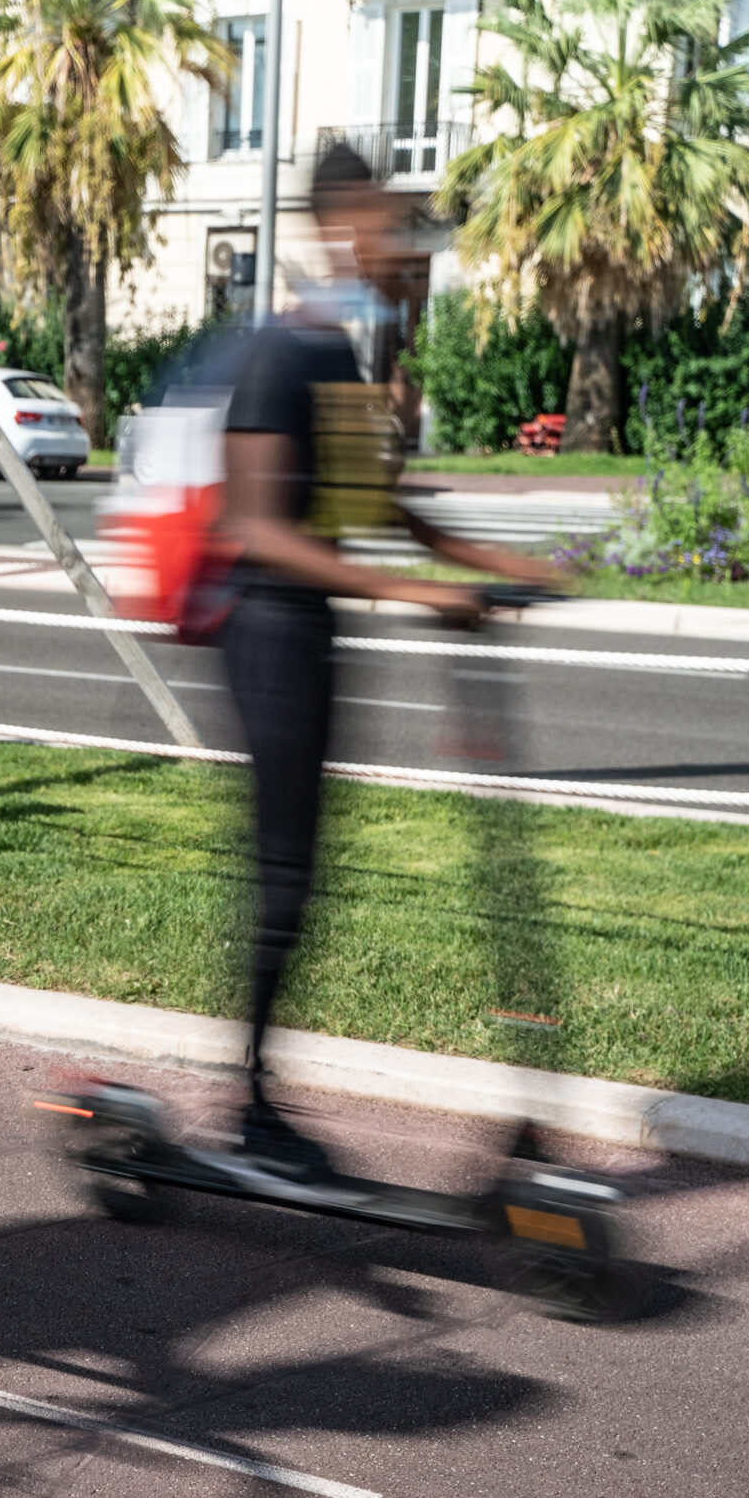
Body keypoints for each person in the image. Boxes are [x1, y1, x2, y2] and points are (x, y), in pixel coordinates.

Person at [218, 141, 559, 1181]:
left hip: (313, 633)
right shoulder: (288, 350)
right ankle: (250, 1106)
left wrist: (497, 564)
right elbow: (257, 530)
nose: (401, 246)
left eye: (407, 230)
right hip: (268, 630)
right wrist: (424, 593)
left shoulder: (345, 354)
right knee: (285, 878)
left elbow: (378, 506)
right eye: (383, 224)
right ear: (334, 229)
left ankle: (257, 1092)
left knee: (306, 875)